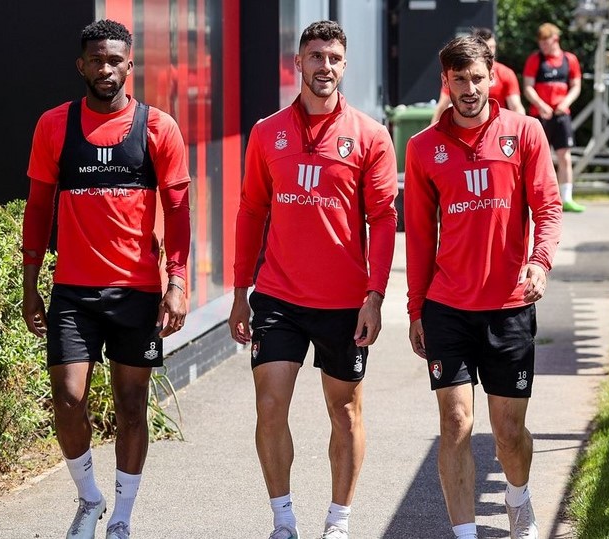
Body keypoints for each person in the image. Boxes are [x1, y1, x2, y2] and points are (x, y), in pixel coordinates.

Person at [21, 19, 191, 539]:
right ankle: (89, 499)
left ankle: (120, 517)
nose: (105, 68)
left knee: (132, 406)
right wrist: (29, 284)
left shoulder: (157, 128)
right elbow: (37, 210)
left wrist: (177, 283)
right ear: (82, 65)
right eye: (96, 59)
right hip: (73, 290)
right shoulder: (54, 125)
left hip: (136, 292)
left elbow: (179, 212)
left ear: (129, 65)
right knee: (68, 400)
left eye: (114, 60)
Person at [228, 20, 398, 539]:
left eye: (334, 59)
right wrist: (239, 294)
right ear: (297, 63)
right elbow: (251, 210)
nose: (325, 67)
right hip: (278, 296)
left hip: (345, 302)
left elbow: (384, 220)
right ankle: (283, 521)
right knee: (270, 404)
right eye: (316, 57)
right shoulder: (266, 132)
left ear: (344, 66)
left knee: (344, 411)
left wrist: (375, 296)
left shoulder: (370, 135)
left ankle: (338, 521)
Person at [404, 35, 562, 539]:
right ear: (445, 82)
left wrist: (539, 262)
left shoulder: (525, 131)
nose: (469, 89)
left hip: (509, 307)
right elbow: (420, 237)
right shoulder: (422, 148)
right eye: (459, 80)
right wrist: (416, 309)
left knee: (509, 434)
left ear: (492, 76)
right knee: (455, 423)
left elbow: (548, 208)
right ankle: (465, 532)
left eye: (477, 78)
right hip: (447, 307)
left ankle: (518, 500)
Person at [522, 22, 585, 213]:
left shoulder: (569, 59)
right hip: (540, 115)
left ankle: (566, 198)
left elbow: (576, 85)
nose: (543, 47)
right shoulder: (535, 60)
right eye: (541, 43)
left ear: (555, 39)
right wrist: (541, 105)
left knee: (564, 156)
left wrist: (565, 103)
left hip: (561, 115)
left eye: (546, 43)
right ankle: (537, 198)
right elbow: (528, 86)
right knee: (537, 158)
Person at [431, 27, 525, 124]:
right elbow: (443, 105)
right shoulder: (456, 74)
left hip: (499, 127)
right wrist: (432, 132)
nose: (490, 51)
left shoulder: (506, 73)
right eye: (487, 47)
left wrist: (522, 127)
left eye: (493, 47)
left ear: (491, 77)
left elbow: (516, 106)